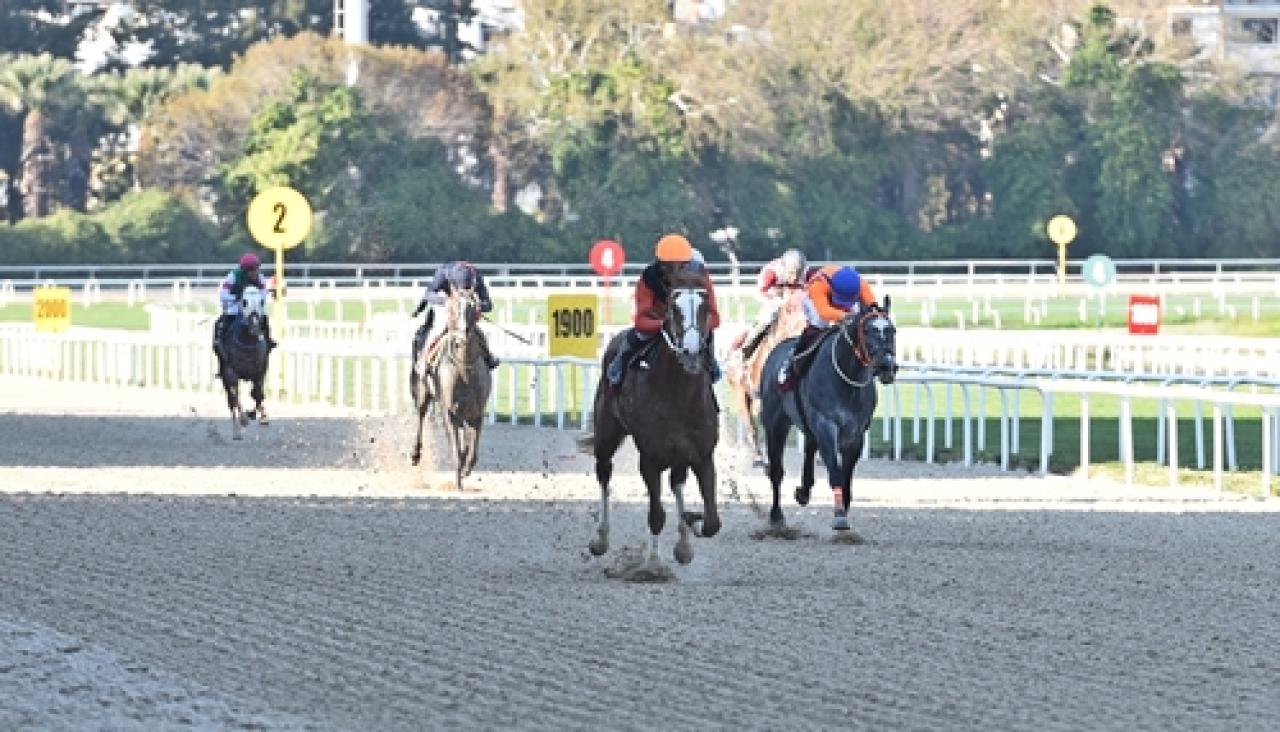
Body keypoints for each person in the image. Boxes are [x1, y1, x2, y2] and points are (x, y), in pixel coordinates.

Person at [605, 234, 721, 392]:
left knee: (705, 336)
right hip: (657, 321)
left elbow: (715, 318)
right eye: (669, 265)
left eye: (681, 265)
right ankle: (619, 365)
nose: (675, 269)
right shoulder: (649, 278)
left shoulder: (700, 278)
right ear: (661, 263)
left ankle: (712, 364)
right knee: (639, 335)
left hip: (688, 325)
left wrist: (698, 323)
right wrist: (665, 324)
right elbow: (641, 321)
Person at [776, 264, 877, 391]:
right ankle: (791, 365)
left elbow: (872, 304)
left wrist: (874, 310)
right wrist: (844, 316)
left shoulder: (860, 284)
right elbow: (824, 312)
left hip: (842, 295)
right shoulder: (818, 286)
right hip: (816, 303)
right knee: (818, 327)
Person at [410, 260, 499, 370]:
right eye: (463, 290)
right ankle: (424, 360)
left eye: (468, 289)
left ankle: (488, 356)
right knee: (439, 328)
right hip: (445, 304)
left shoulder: (476, 276)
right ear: (454, 284)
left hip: (465, 308)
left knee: (475, 331)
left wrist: (478, 306)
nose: (465, 292)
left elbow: (489, 305)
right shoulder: (443, 272)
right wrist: (446, 301)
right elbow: (428, 294)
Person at [738, 247, 810, 360]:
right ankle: (748, 345)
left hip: (795, 296)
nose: (795, 278)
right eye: (791, 273)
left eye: (798, 274)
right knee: (768, 316)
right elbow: (760, 292)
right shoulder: (772, 271)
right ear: (784, 268)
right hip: (774, 296)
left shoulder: (807, 272)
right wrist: (779, 302)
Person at [213, 252, 275, 377]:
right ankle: (219, 344)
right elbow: (223, 295)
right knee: (219, 323)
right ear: (245, 271)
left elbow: (263, 294)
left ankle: (268, 341)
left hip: (253, 306)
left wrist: (255, 300)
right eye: (253, 270)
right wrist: (236, 297)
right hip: (235, 307)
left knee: (264, 318)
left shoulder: (260, 278)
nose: (256, 272)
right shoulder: (232, 276)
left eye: (257, 269)